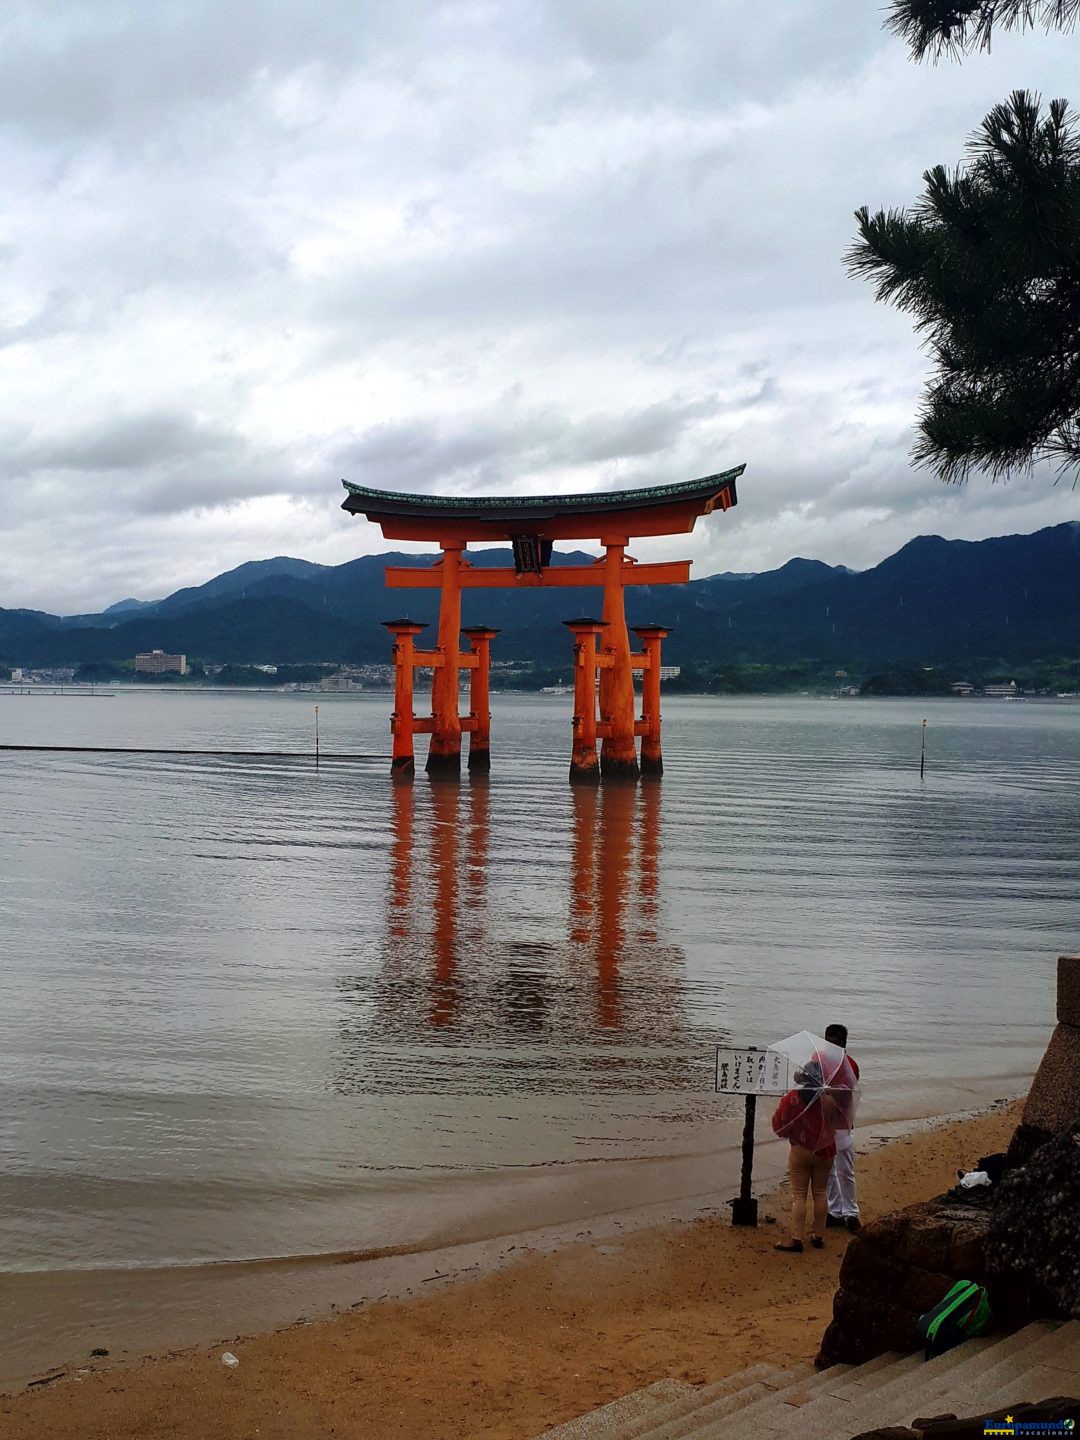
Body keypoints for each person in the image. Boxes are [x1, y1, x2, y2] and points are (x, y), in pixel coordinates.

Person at [770, 1059, 839, 1253]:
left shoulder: (793, 1098)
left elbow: (779, 1124)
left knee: (799, 1195)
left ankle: (796, 1239)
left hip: (800, 1150)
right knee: (820, 1193)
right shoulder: (829, 1099)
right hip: (825, 1151)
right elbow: (837, 1122)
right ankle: (818, 1235)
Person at [824, 1022, 861, 1233]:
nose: (830, 1046)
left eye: (835, 1043)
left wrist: (831, 1090)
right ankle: (835, 1210)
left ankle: (851, 1212)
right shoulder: (819, 1061)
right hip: (824, 1122)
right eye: (828, 1042)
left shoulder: (850, 1065)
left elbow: (849, 1093)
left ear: (843, 1044)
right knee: (828, 1170)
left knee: (845, 1170)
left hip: (842, 1124)